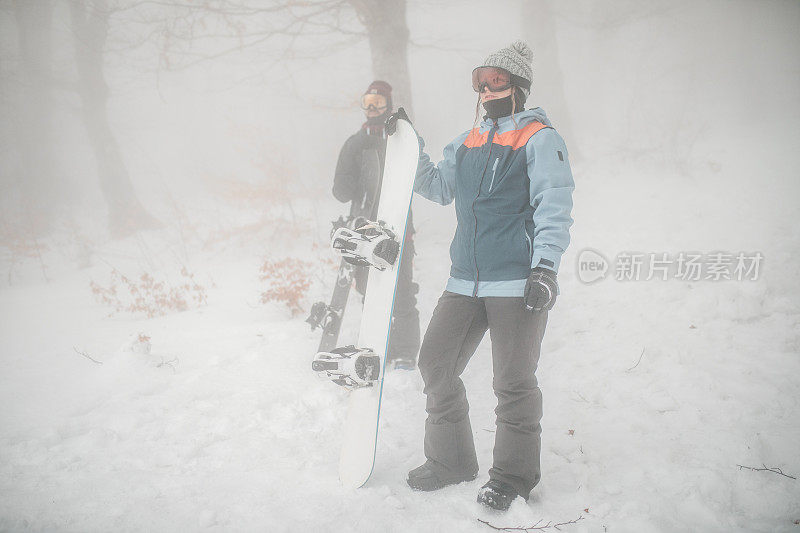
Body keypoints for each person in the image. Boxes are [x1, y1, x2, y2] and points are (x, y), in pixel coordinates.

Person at [389, 41, 575, 510]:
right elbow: (438, 187)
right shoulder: (468, 140)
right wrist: (410, 145)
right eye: (481, 81)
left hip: (517, 282)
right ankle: (451, 461)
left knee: (513, 382)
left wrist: (546, 268)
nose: (486, 89)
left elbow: (554, 205)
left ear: (518, 85)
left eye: (497, 80)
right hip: (464, 281)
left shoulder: (539, 137)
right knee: (435, 363)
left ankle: (511, 477)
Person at [332, 80, 421, 369]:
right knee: (368, 291)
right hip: (363, 229)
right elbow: (340, 191)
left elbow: (418, 173)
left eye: (379, 103)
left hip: (398, 229)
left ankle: (405, 350)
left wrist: (402, 135)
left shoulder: (399, 140)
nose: (373, 109)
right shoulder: (354, 142)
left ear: (388, 104)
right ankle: (379, 346)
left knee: (402, 289)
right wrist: (356, 170)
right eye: (368, 102)